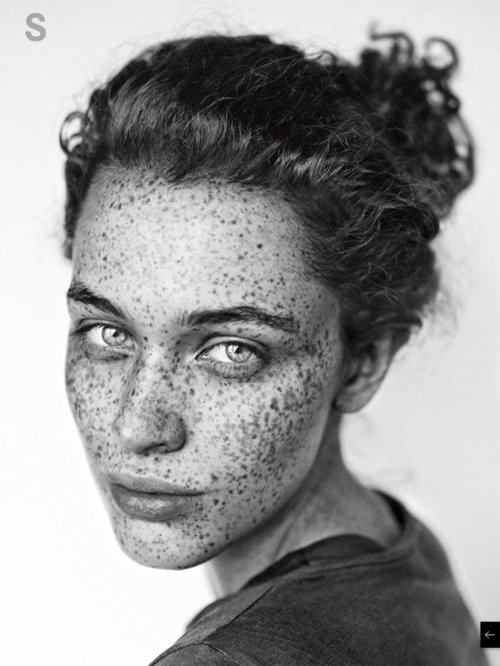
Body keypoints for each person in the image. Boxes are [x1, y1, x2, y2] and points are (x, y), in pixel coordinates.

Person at [60, 29, 486, 665]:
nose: (137, 426)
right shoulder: (403, 557)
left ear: (363, 362)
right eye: (108, 333)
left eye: (232, 351)